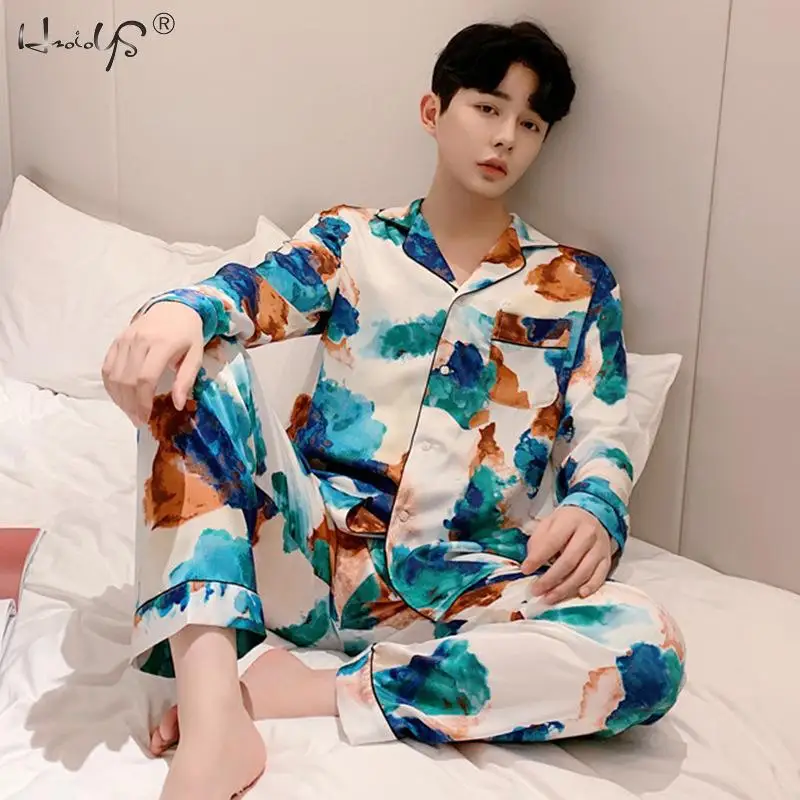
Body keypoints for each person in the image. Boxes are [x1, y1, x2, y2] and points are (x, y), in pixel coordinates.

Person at [103, 20, 686, 800]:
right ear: (432, 111)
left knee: (649, 649)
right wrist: (179, 311)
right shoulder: (353, 241)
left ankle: (301, 692)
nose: (506, 136)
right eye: (488, 107)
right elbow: (250, 294)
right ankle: (214, 721)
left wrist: (596, 507)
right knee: (193, 360)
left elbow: (604, 430)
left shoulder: (576, 285)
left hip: (461, 584)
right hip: (307, 554)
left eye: (530, 123)